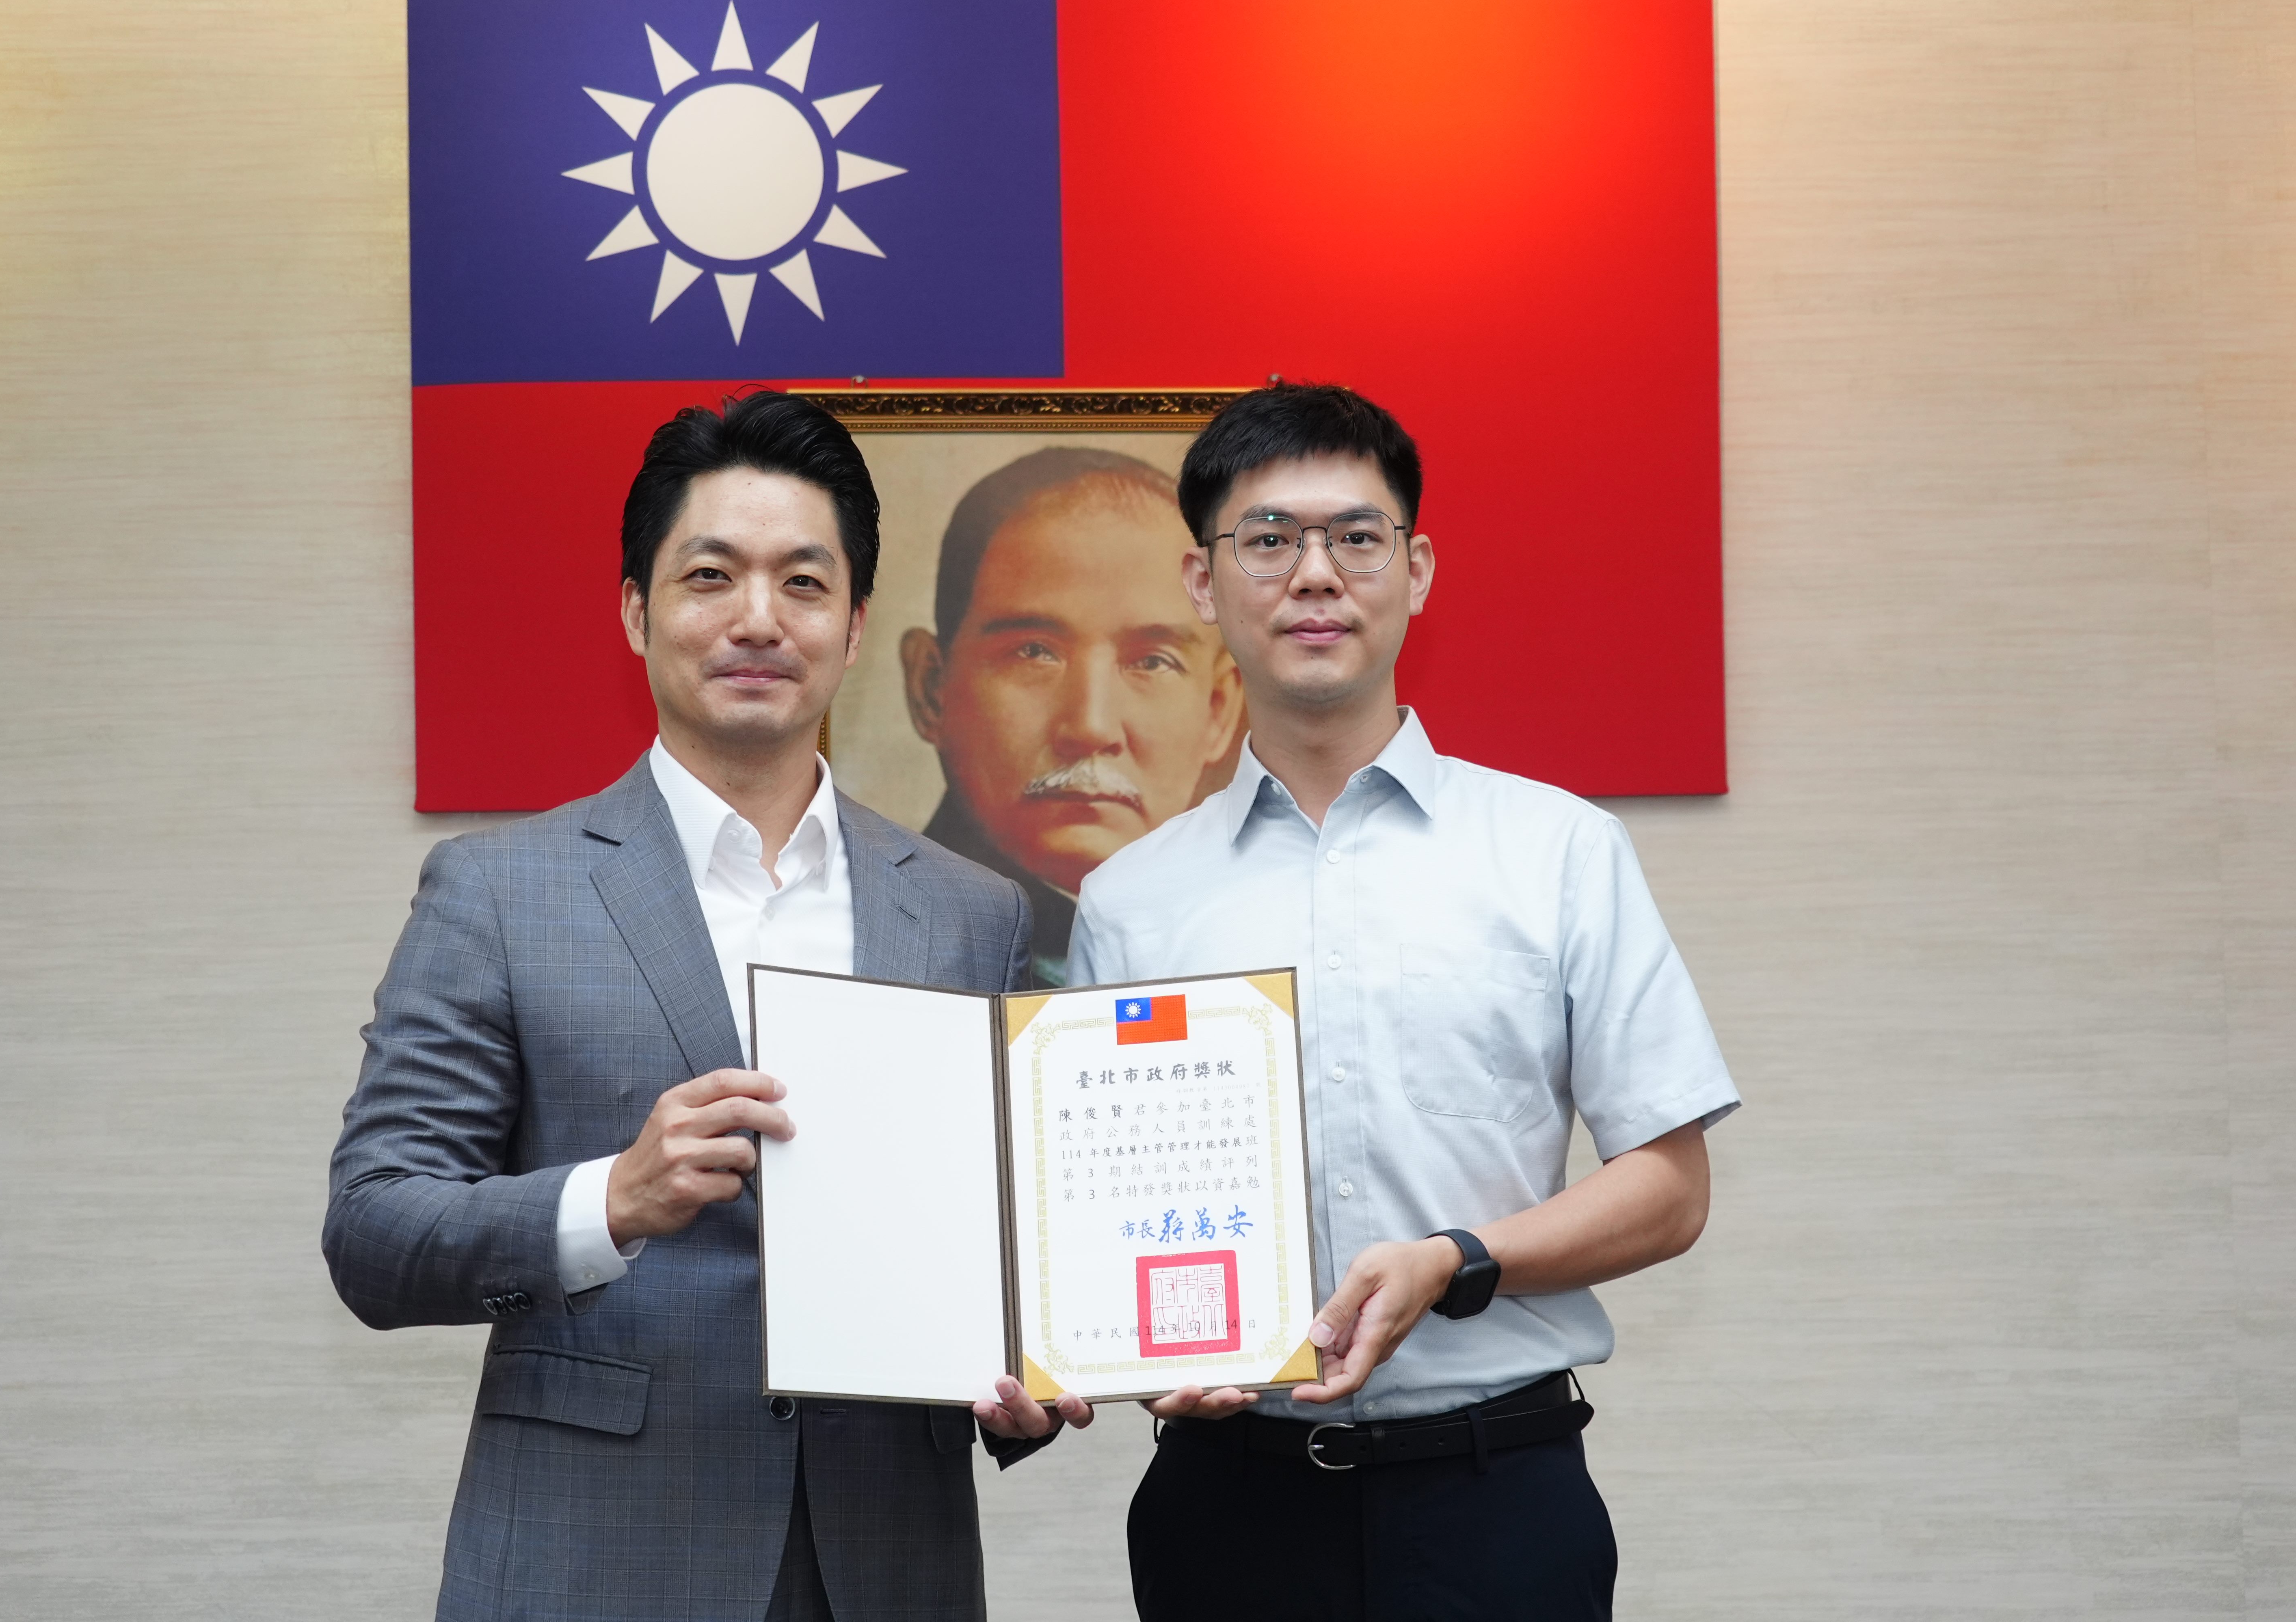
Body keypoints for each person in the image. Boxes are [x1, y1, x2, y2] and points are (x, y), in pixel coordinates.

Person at [323, 393, 1084, 1622]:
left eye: (803, 582)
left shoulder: (969, 912)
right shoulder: (500, 890)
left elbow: (1006, 1252)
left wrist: (1032, 1373)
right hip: (596, 1561)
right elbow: (373, 1233)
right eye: (710, 576)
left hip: (887, 1559)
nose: (758, 619)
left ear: (855, 627)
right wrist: (610, 1201)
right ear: (637, 611)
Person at [1062, 384, 1740, 1621]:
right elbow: (1098, 1227)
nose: (1315, 574)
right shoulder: (1130, 901)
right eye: (1269, 539)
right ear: (1204, 583)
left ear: (1416, 570)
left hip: (1498, 1498)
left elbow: (1670, 1187)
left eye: (1357, 537)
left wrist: (1456, 1261)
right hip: (1229, 1510)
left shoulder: (1559, 851)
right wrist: (1128, 1348)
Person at [899, 449, 1243, 986]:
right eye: (1034, 652)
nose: (1091, 728)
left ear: (1218, 710)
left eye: (1153, 662)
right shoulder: (873, 947)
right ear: (931, 689)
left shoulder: (1248, 941)